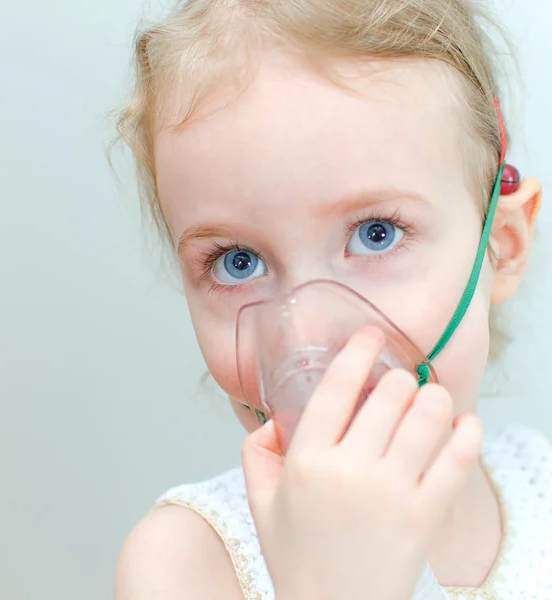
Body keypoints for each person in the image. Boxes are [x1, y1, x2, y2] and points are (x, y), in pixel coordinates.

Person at [113, 1, 551, 598]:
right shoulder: (184, 567)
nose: (309, 332)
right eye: (239, 262)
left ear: (502, 247)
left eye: (376, 234)